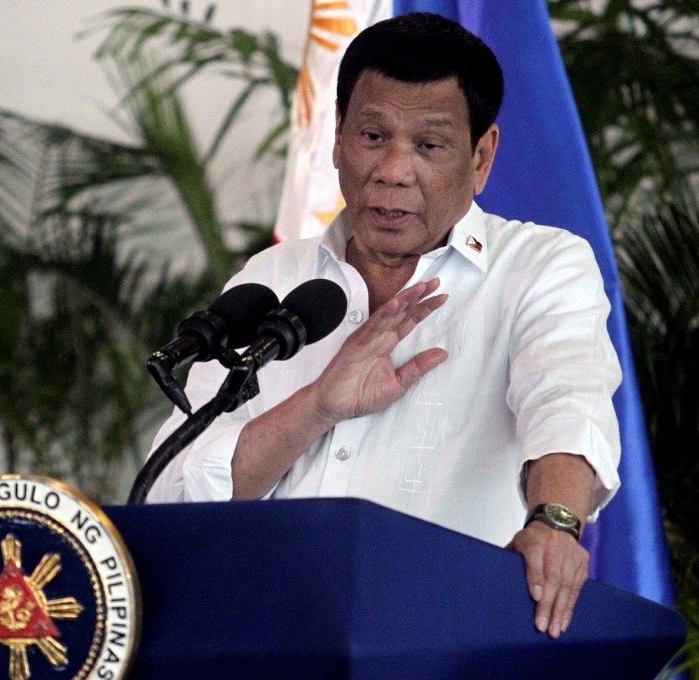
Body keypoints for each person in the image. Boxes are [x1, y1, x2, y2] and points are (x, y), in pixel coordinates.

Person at [146, 12, 621, 641]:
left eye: (428, 145)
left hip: (442, 642)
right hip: (263, 638)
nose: (392, 169)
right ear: (337, 137)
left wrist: (555, 522)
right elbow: (175, 493)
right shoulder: (273, 275)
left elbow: (566, 399)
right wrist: (315, 407)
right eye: (372, 135)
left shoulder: (539, 267)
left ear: (481, 158)